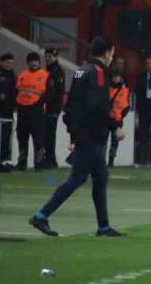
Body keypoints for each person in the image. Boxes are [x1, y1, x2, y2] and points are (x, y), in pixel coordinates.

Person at [29, 36, 125, 237]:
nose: (113, 57)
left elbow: (71, 103)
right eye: (112, 53)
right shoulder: (98, 72)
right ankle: (41, 215)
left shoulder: (82, 70)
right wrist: (115, 126)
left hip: (84, 132)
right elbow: (98, 106)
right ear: (107, 52)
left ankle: (104, 226)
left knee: (100, 177)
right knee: (77, 178)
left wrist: (73, 131)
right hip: (92, 134)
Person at [14, 52, 48, 170]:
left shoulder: (45, 75)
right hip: (22, 110)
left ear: (39, 62)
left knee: (38, 138)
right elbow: (17, 91)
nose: (33, 63)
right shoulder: (22, 75)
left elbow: (49, 93)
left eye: (35, 60)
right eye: (31, 61)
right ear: (27, 62)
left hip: (37, 110)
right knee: (22, 136)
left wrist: (42, 103)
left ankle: (39, 163)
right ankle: (21, 162)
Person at [40, 48, 66, 169]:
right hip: (47, 107)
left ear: (55, 57)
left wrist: (51, 103)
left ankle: (51, 161)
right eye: (47, 56)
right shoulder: (47, 70)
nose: (48, 58)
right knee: (46, 134)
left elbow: (58, 91)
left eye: (51, 56)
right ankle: (49, 160)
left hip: (52, 108)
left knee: (49, 135)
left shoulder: (57, 71)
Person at [106, 57, 130, 168]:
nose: (116, 79)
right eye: (115, 77)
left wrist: (121, 116)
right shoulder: (106, 89)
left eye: (118, 77)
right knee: (103, 140)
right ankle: (101, 161)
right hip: (107, 118)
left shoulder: (125, 90)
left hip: (118, 119)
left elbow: (126, 106)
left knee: (115, 142)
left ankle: (111, 161)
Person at [0, 53, 15, 163]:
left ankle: (4, 159)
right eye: (7, 62)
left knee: (7, 135)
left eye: (11, 63)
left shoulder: (13, 75)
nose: (9, 65)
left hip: (8, 110)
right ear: (1, 62)